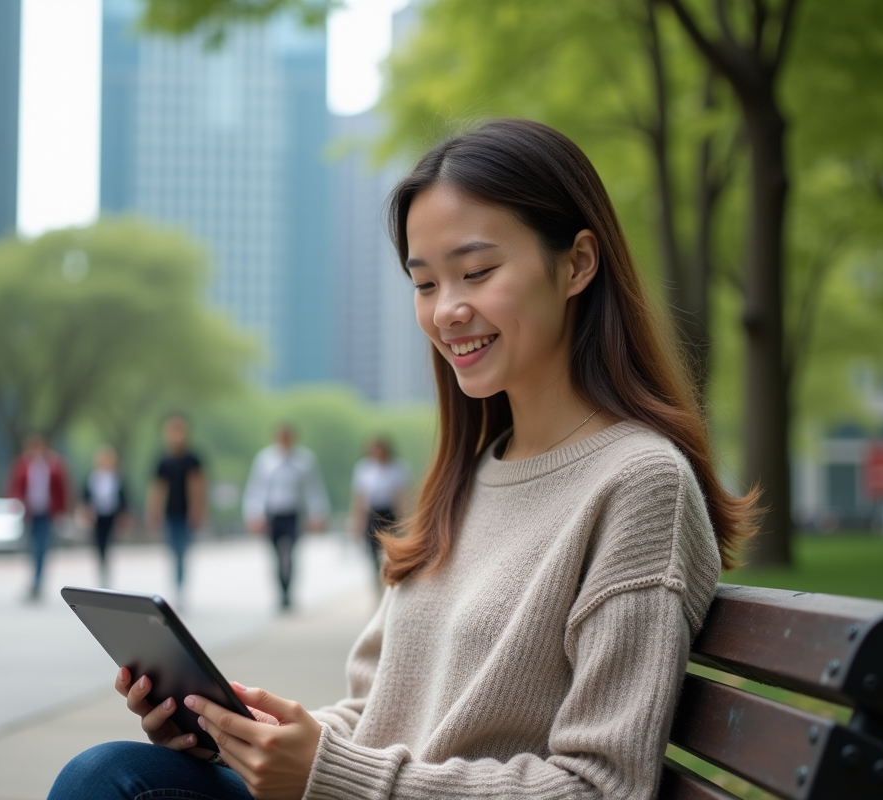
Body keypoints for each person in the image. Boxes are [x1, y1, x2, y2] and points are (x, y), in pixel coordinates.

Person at [48, 118, 757, 800]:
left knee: (105, 783)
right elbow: (375, 717)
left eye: (476, 271)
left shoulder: (639, 485)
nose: (446, 310)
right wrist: (251, 736)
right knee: (111, 774)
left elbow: (603, 787)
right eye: (424, 283)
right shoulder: (473, 473)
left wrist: (331, 777)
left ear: (576, 264)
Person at [241, 425, 330, 611]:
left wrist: (318, 513)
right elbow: (256, 489)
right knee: (276, 555)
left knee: (289, 553)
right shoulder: (265, 460)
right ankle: (280, 591)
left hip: (293, 513)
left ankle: (289, 591)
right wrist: (253, 514)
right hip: (272, 513)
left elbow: (313, 489)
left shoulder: (304, 461)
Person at [147, 415, 207, 604]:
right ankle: (175, 585)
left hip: (186, 513)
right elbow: (157, 487)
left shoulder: (192, 459)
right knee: (172, 550)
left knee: (183, 550)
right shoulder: (163, 460)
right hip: (170, 512)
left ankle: (180, 587)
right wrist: (154, 510)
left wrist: (198, 510)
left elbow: (198, 486)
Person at [7, 434, 69, 601]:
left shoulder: (53, 464)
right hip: (30, 512)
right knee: (32, 546)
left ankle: (38, 581)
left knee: (42, 546)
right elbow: (15, 486)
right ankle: (34, 579)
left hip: (47, 512)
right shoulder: (23, 464)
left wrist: (62, 511)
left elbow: (62, 488)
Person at [348, 437, 409, 582]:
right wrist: (357, 523)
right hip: (372, 514)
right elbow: (359, 498)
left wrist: (405, 521)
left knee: (390, 549)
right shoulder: (363, 469)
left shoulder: (397, 468)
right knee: (373, 550)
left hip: (389, 514)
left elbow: (401, 497)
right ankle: (378, 579)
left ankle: (390, 576)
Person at [81, 445, 129, 588]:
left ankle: (107, 569)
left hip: (111, 516)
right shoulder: (93, 477)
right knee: (99, 544)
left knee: (109, 543)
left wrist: (123, 515)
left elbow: (123, 498)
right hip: (97, 516)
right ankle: (101, 569)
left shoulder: (117, 477)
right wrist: (86, 511)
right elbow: (86, 497)